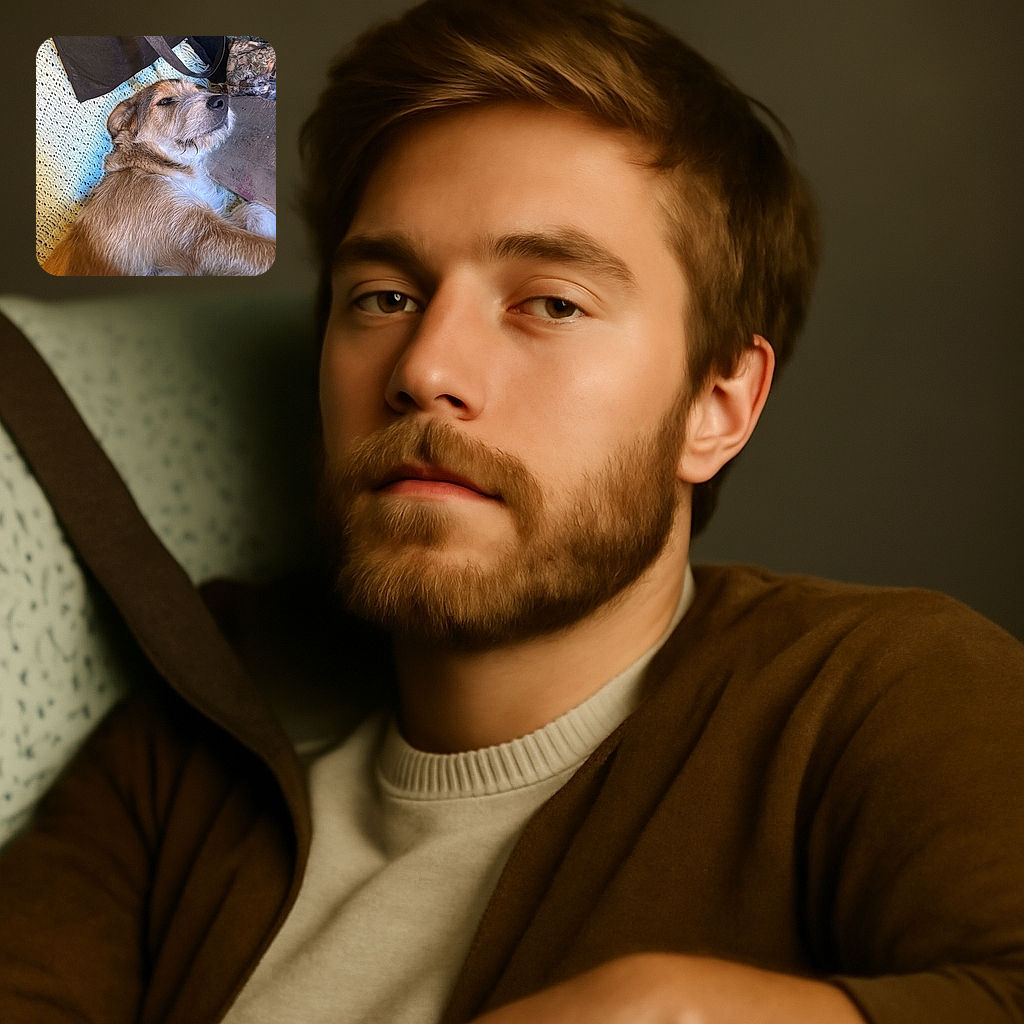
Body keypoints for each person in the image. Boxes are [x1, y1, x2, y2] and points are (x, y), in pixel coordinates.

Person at [2, 1, 1023, 1022]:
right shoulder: (202, 716)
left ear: (716, 406)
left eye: (550, 302)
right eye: (384, 297)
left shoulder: (880, 690)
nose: (425, 369)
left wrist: (678, 1010)